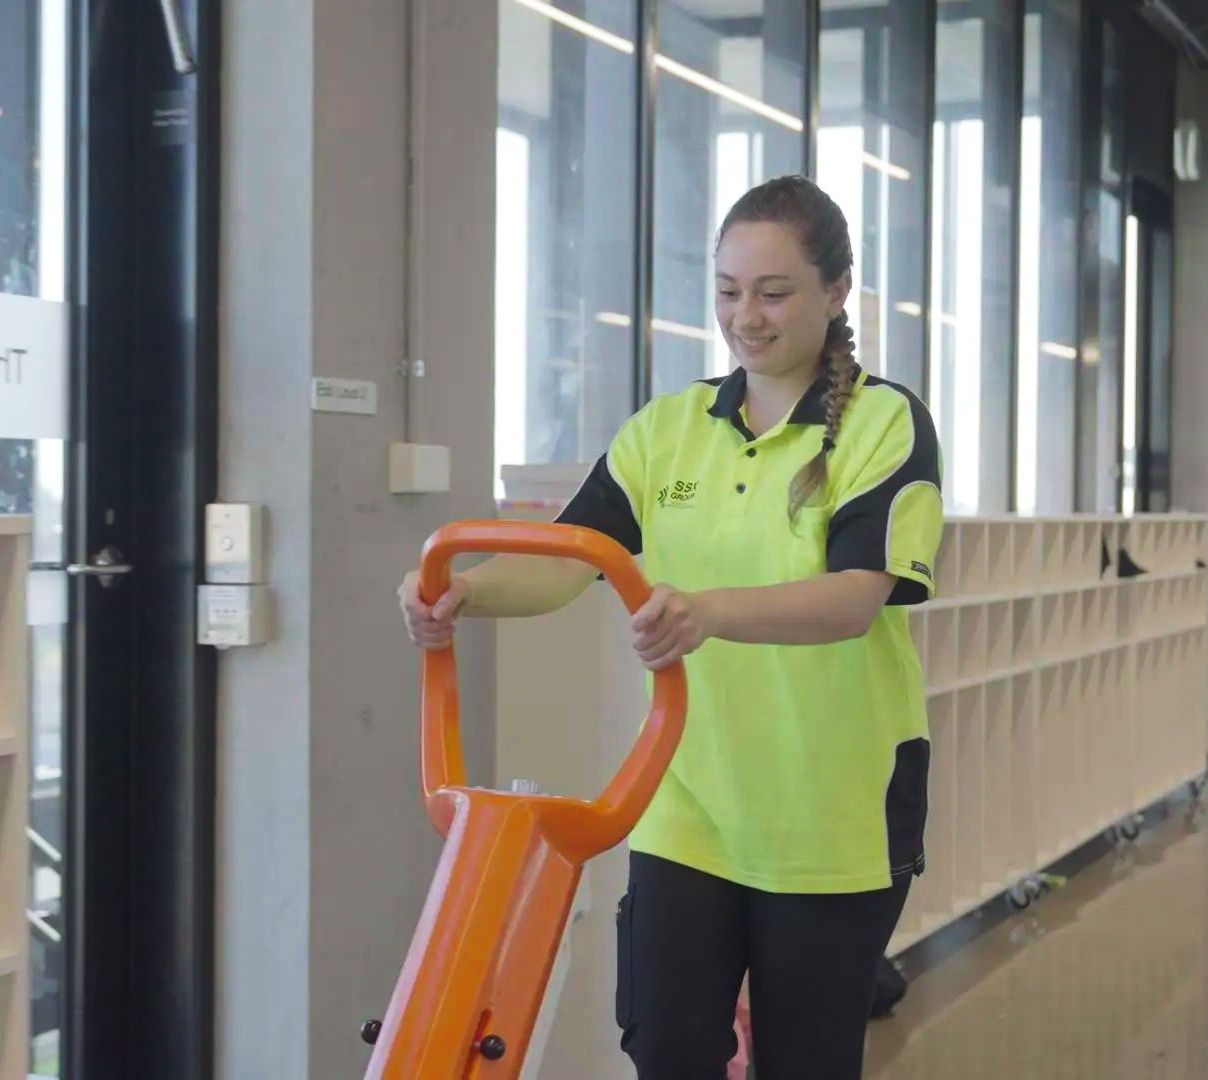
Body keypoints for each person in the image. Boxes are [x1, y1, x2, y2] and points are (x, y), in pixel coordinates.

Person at [398, 175, 943, 1079]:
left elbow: (855, 599)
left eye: (774, 293)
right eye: (728, 291)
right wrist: (459, 594)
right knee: (667, 1052)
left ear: (838, 291)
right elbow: (566, 561)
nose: (747, 317)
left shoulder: (884, 422)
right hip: (687, 799)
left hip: (833, 811)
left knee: (806, 1060)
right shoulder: (670, 427)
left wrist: (707, 612)